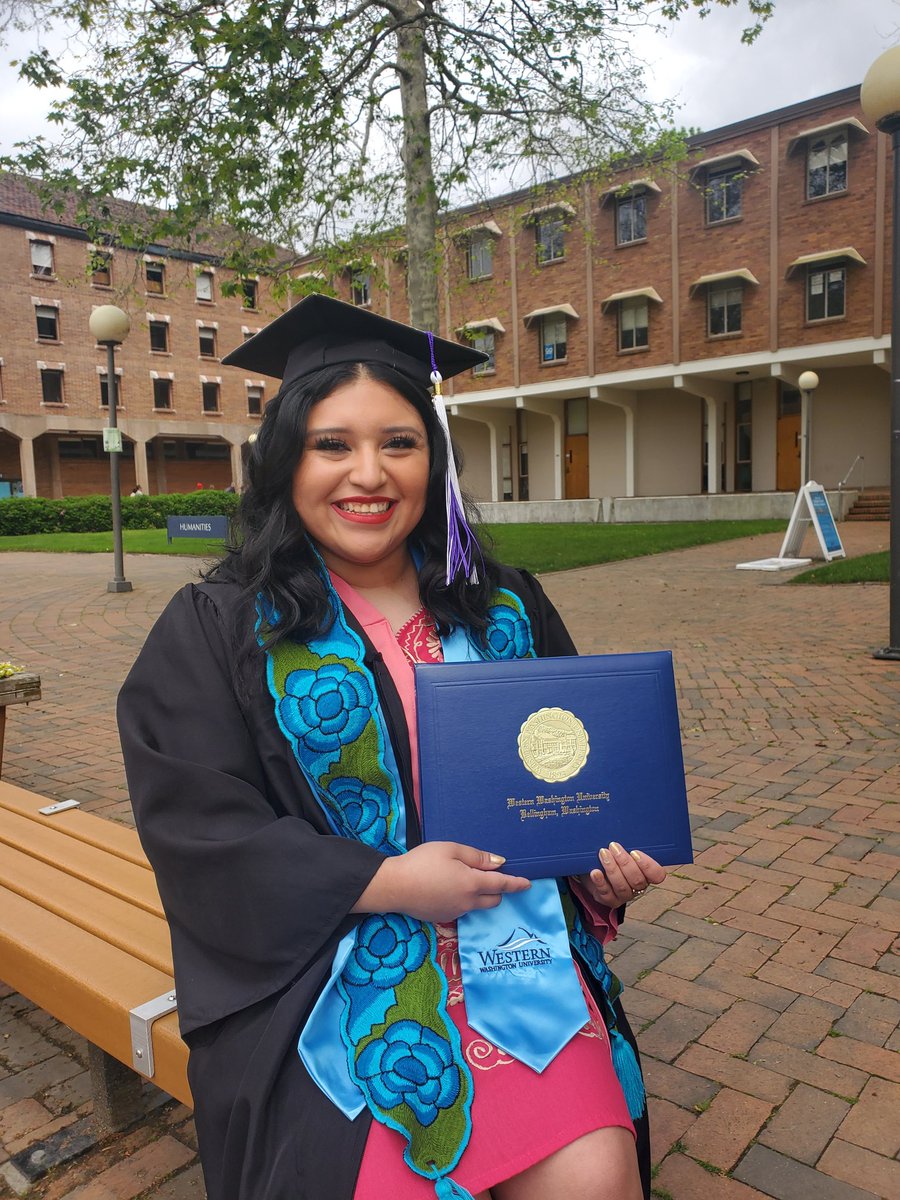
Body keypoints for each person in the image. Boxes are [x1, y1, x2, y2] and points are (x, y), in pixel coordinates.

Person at [118, 295, 666, 1200]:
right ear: (286, 460)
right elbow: (197, 828)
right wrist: (382, 883)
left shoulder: (506, 606)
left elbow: (577, 784)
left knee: (598, 1179)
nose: (367, 473)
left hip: (518, 963)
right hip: (326, 977)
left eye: (399, 443)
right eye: (332, 444)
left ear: (434, 460)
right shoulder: (220, 627)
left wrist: (597, 868)